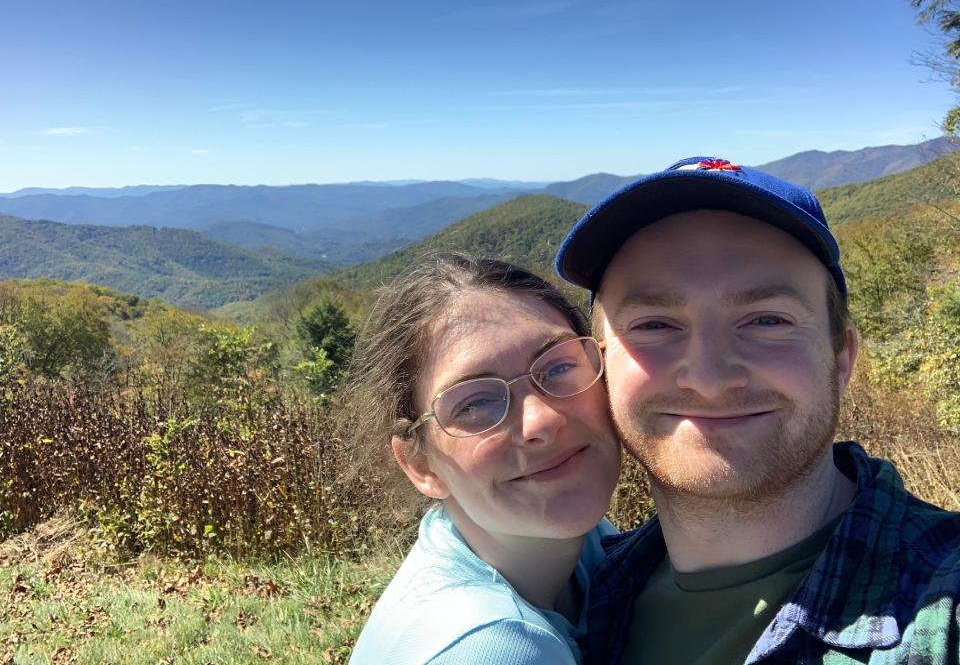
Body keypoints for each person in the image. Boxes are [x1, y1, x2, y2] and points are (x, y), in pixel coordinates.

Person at [555, 156, 960, 665]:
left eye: (767, 319)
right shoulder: (580, 601)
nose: (709, 377)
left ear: (842, 358)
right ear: (602, 363)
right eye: (654, 325)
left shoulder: (942, 607)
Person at [346, 255, 621, 665]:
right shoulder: (494, 648)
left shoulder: (584, 545)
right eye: (475, 404)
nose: (541, 420)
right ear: (420, 465)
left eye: (559, 365)